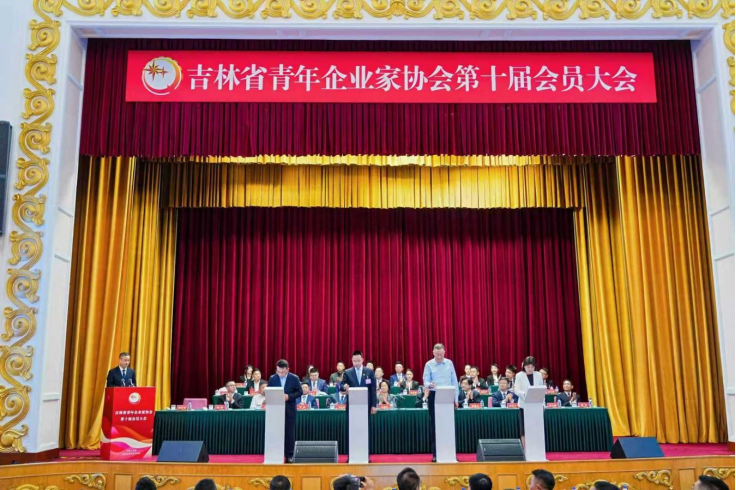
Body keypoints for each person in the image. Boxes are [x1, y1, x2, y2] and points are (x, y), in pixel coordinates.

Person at [422, 343, 459, 462]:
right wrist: (429, 384)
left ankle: (451, 453)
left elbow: (454, 381)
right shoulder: (429, 364)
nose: (439, 356)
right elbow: (425, 380)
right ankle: (436, 454)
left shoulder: (449, 363)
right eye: (436, 354)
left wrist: (456, 398)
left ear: (444, 352)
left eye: (440, 354)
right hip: (434, 395)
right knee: (435, 425)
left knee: (449, 426)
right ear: (433, 353)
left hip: (448, 395)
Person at [342, 350, 378, 461]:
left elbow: (373, 389)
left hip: (365, 406)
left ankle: (365, 455)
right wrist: (344, 387)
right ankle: (351, 456)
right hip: (352, 406)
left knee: (364, 431)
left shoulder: (369, 372)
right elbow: (341, 385)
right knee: (351, 431)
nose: (356, 363)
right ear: (351, 360)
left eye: (358, 361)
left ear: (362, 360)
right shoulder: (347, 372)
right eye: (354, 361)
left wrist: (374, 405)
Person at [267, 359, 302, 463]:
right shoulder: (273, 378)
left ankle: (289, 455)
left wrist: (289, 396)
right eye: (278, 371)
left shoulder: (294, 378)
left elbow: (300, 392)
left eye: (282, 372)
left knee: (289, 433)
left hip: (289, 409)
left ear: (288, 369)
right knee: (276, 432)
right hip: (276, 409)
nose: (280, 374)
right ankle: (275, 454)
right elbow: (269, 391)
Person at [514, 356, 545, 445]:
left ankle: (536, 446)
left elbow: (541, 390)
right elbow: (516, 390)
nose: (530, 369)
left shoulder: (538, 375)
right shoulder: (519, 375)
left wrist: (543, 405)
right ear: (524, 366)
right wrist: (526, 394)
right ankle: (525, 448)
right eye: (528, 367)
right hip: (524, 405)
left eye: (532, 367)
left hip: (536, 405)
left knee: (536, 427)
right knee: (524, 428)